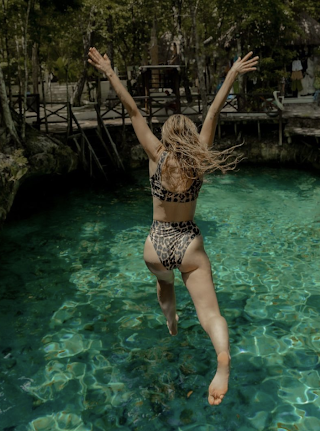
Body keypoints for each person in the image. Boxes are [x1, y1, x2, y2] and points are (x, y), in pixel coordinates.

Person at [88, 48, 259, 405]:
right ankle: (222, 358)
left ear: (166, 135)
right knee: (211, 314)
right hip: (189, 245)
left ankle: (171, 322)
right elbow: (214, 109)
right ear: (192, 135)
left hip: (157, 244)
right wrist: (232, 73)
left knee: (164, 288)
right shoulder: (199, 156)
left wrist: (109, 71)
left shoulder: (156, 154)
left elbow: (132, 109)